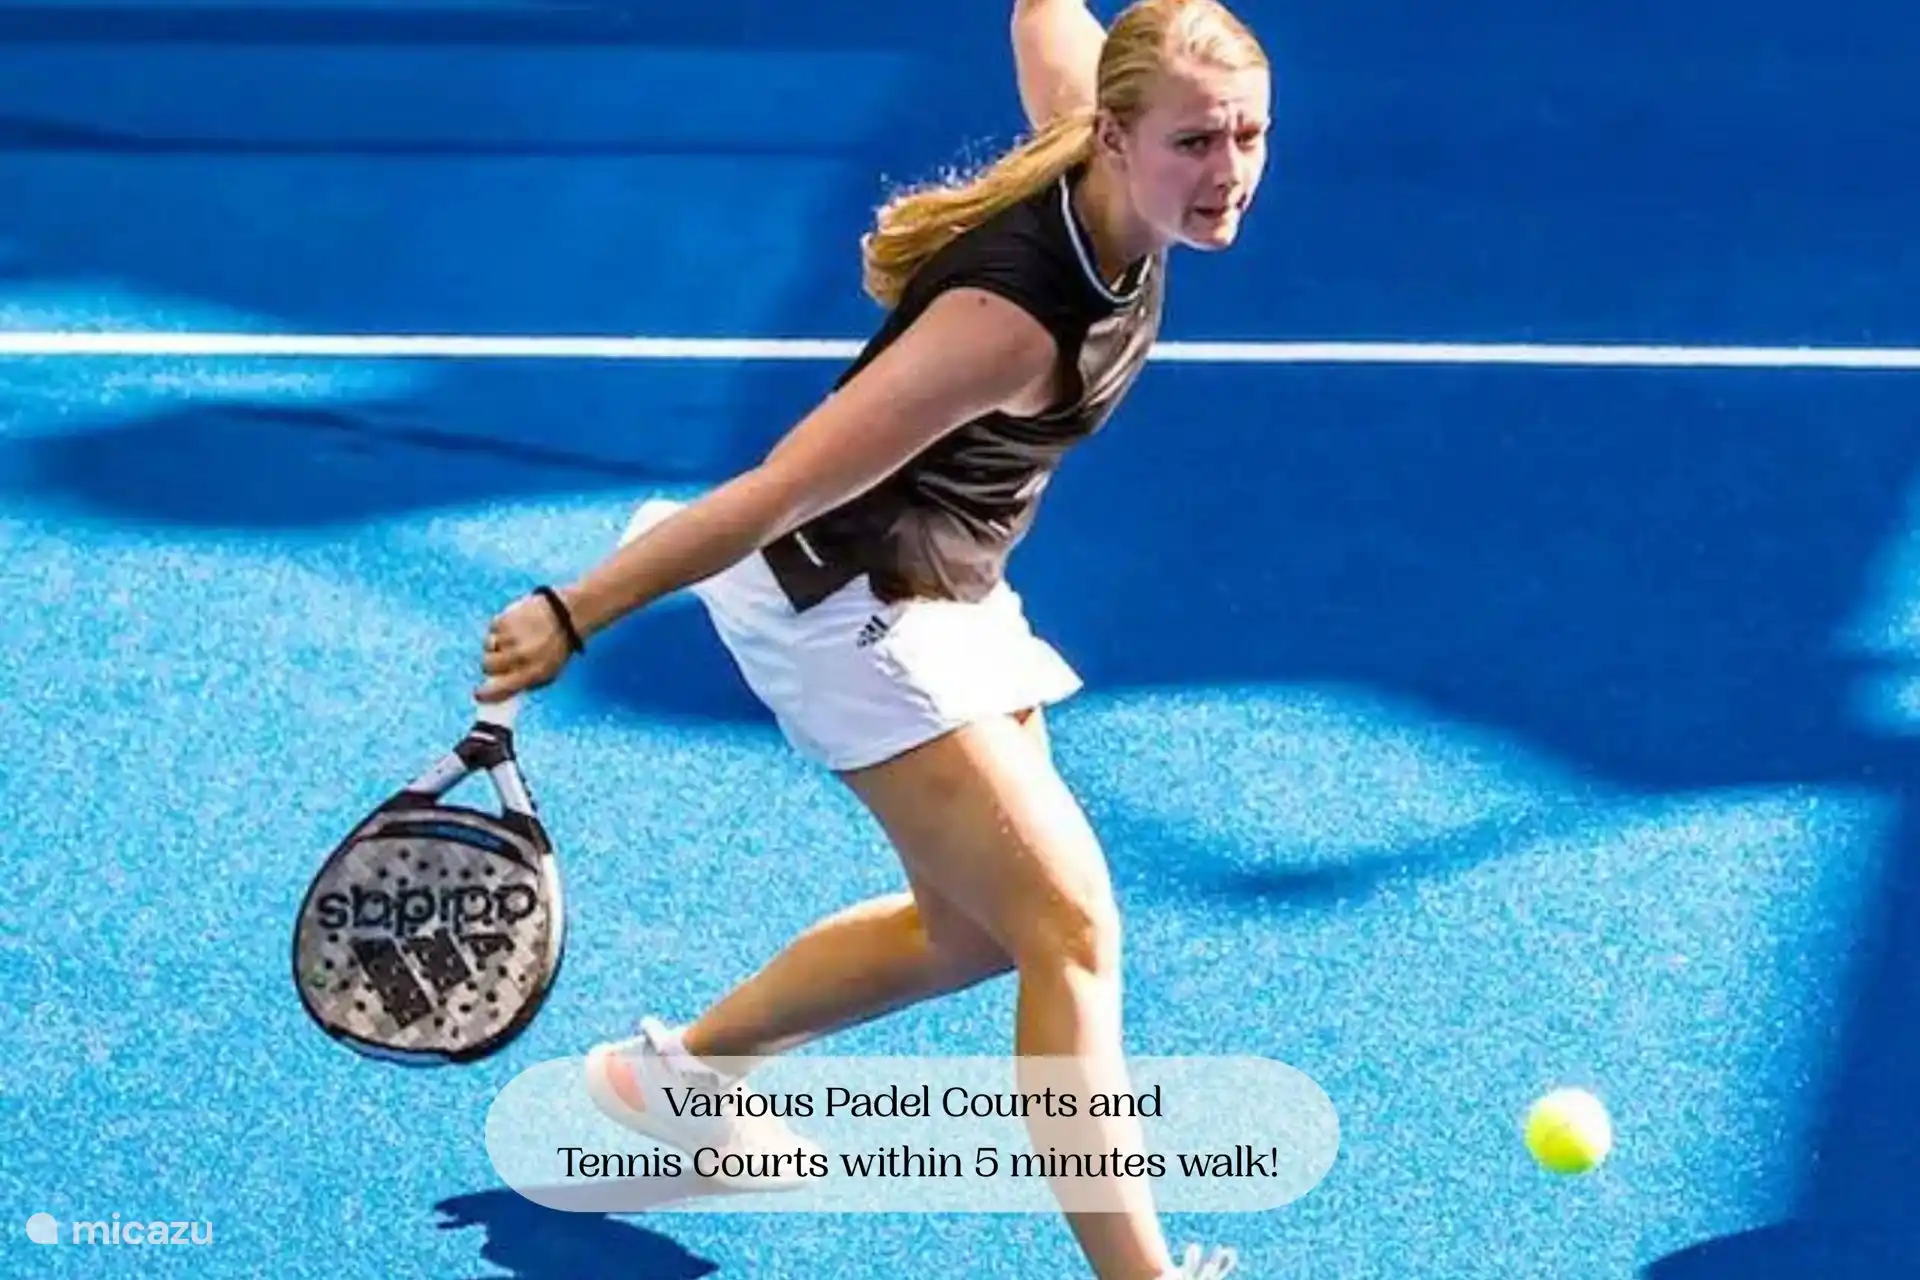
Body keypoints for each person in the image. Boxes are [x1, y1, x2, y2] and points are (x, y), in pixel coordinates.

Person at [476, 1, 1270, 1275]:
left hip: (942, 582)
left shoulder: (1104, 147)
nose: (1226, 169)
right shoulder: (1011, 321)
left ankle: (674, 1084)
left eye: (1247, 134)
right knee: (1071, 931)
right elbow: (778, 491)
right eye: (1196, 142)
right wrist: (578, 608)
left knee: (972, 929)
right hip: (848, 602)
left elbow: (1042, 14)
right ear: (1119, 139)